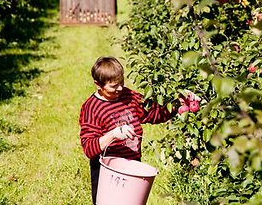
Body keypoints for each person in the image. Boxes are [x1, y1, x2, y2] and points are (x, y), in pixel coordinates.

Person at [79, 56, 192, 204]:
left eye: (121, 83)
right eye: (113, 86)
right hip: (107, 172)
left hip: (132, 166)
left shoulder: (129, 97)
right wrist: (113, 134)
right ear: (98, 84)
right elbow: (89, 148)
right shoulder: (92, 108)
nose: (119, 88)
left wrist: (179, 104)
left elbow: (154, 113)